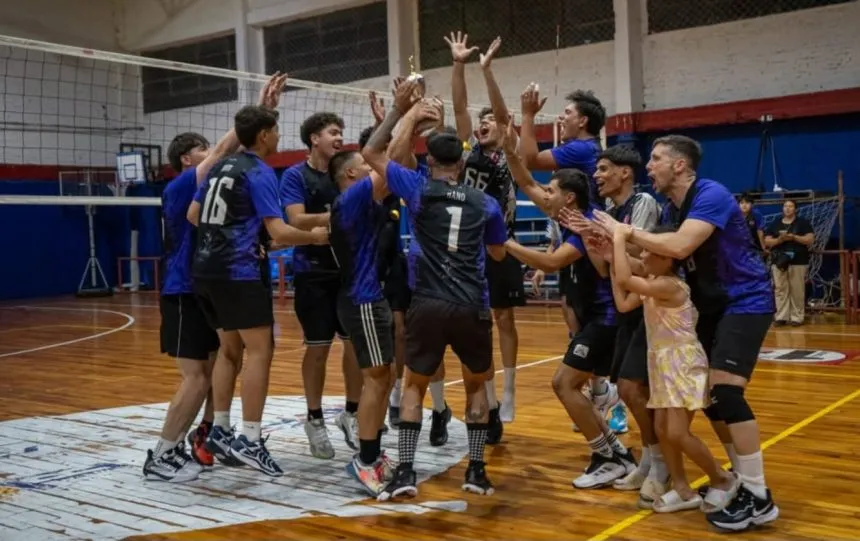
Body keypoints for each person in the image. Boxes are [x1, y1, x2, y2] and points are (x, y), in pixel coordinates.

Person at [587, 135, 778, 530]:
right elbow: (649, 262)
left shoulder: (711, 194)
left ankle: (758, 494)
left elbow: (677, 247)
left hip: (745, 299)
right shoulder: (675, 206)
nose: (648, 166)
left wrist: (625, 234)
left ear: (679, 165)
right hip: (714, 307)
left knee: (726, 390)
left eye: (655, 159)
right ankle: (740, 481)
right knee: (711, 401)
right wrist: (611, 245)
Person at [363, 82, 507, 500]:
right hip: (471, 304)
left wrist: (398, 112)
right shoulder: (485, 203)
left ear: (429, 160)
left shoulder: (417, 187)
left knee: (413, 386)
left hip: (426, 302)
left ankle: (406, 472)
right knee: (477, 386)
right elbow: (498, 254)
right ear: (462, 162)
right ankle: (476, 471)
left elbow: (374, 153)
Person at [144, 73, 287, 482]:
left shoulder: (213, 183)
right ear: (188, 160)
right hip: (183, 290)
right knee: (196, 377)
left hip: (210, 284)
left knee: (224, 363)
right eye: (202, 150)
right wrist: (260, 114)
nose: (213, 152)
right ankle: (161, 454)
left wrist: (264, 115)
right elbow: (230, 147)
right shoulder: (182, 186)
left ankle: (211, 436)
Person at [189, 105, 329, 477]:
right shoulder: (260, 172)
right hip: (238, 272)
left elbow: (192, 215)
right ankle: (250, 438)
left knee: (228, 350)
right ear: (264, 135)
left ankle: (219, 430)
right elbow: (281, 232)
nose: (279, 137)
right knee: (261, 350)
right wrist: (313, 239)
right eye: (276, 131)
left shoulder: (219, 167)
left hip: (204, 271)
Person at [499, 121, 635, 489]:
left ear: (569, 197)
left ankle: (610, 455)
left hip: (607, 318)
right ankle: (615, 454)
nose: (544, 193)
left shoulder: (585, 223)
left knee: (564, 384)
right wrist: (511, 149)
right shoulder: (567, 216)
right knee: (573, 385)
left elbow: (551, 262)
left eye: (551, 189)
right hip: (591, 316)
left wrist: (503, 243)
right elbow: (526, 181)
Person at [612, 223, 739, 513]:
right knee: (661, 428)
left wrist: (619, 237)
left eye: (649, 251)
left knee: (678, 432)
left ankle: (722, 478)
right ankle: (682, 488)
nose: (643, 255)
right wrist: (609, 257)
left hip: (682, 363)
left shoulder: (668, 285)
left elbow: (626, 277)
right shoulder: (654, 282)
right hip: (661, 363)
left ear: (668, 257)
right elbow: (622, 302)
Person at [446, 32, 521, 437]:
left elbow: (503, 116)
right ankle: (489, 401)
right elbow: (459, 104)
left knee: (505, 318)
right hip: (468, 248)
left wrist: (486, 70)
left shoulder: (510, 147)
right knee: (479, 325)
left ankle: (508, 391)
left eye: (489, 119)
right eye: (482, 122)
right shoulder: (466, 151)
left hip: (502, 243)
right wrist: (458, 64)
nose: (485, 123)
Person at [328, 148, 412, 495]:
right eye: (364, 166)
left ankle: (372, 454)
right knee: (376, 380)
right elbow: (385, 162)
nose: (371, 169)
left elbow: (392, 165)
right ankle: (366, 460)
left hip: (369, 297)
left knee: (383, 376)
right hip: (361, 300)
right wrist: (404, 114)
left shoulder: (363, 204)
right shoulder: (349, 200)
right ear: (351, 175)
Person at [280, 112, 362, 458]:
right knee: (318, 349)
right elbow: (295, 218)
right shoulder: (296, 175)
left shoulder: (346, 171)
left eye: (342, 132)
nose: (340, 137)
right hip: (313, 272)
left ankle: (352, 413)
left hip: (349, 272)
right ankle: (314, 420)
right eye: (333, 132)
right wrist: (340, 214)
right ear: (314, 138)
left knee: (356, 347)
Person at [592, 144, 669, 501]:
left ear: (625, 172)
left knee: (634, 388)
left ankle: (662, 465)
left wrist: (610, 239)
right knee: (626, 389)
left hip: (649, 304)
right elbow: (608, 265)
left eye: (604, 168)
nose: (597, 176)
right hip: (624, 304)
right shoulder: (609, 210)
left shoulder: (643, 204)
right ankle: (651, 460)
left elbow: (642, 255)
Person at [517, 82, 605, 206]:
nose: (561, 117)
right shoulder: (589, 146)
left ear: (582, 121)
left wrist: (528, 115)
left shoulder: (580, 149)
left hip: (582, 222)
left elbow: (530, 161)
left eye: (568, 112)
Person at [764, 199, 814, 327]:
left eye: (790, 206)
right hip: (779, 260)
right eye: (785, 206)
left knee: (797, 289)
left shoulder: (802, 223)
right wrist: (779, 240)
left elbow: (810, 239)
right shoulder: (775, 223)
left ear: (795, 209)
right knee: (780, 289)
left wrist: (794, 237)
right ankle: (781, 316)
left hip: (798, 260)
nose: (787, 208)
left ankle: (797, 317)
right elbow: (767, 241)